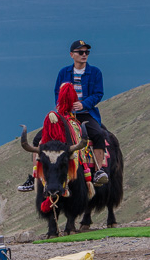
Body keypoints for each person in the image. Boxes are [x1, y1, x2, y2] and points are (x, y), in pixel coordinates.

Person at [18, 40, 108, 191]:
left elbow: (98, 93)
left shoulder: (95, 72)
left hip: (85, 113)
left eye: (87, 52)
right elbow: (57, 93)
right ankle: (35, 177)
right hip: (64, 115)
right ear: (72, 55)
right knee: (37, 139)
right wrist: (61, 108)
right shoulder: (63, 72)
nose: (84, 55)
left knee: (98, 134)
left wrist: (83, 104)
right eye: (81, 52)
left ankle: (99, 171)